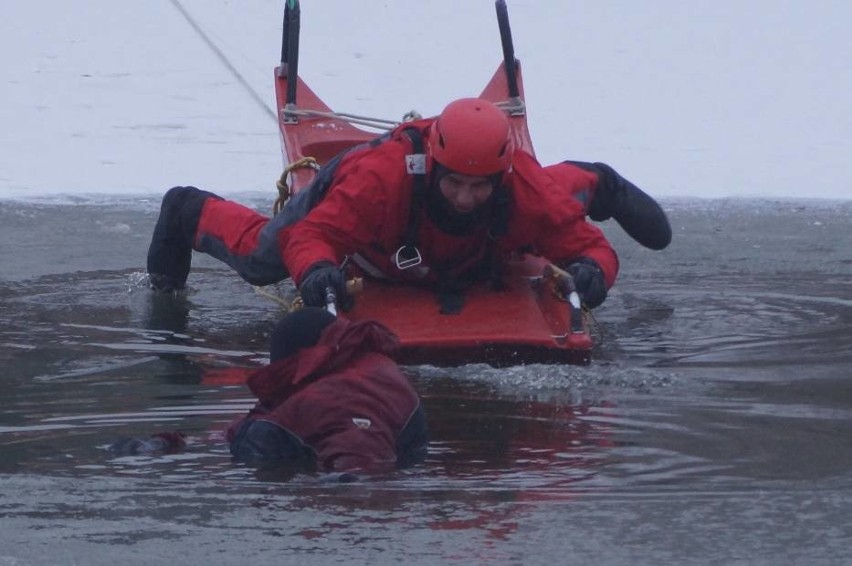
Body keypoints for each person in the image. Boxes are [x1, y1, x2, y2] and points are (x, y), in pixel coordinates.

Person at [147, 98, 671, 310]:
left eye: (480, 186)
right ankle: (187, 210)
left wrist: (592, 273)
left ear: (501, 175)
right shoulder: (381, 182)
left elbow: (589, 245)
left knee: (547, 207)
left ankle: (598, 183)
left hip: (508, 200)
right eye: (455, 185)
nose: (466, 199)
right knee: (266, 260)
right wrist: (316, 273)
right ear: (434, 169)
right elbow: (309, 237)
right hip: (352, 178)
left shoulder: (521, 185)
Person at [227, 307, 428, 474]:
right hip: (406, 462)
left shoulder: (333, 397)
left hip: (355, 495)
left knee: (260, 434)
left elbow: (363, 468)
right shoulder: (371, 362)